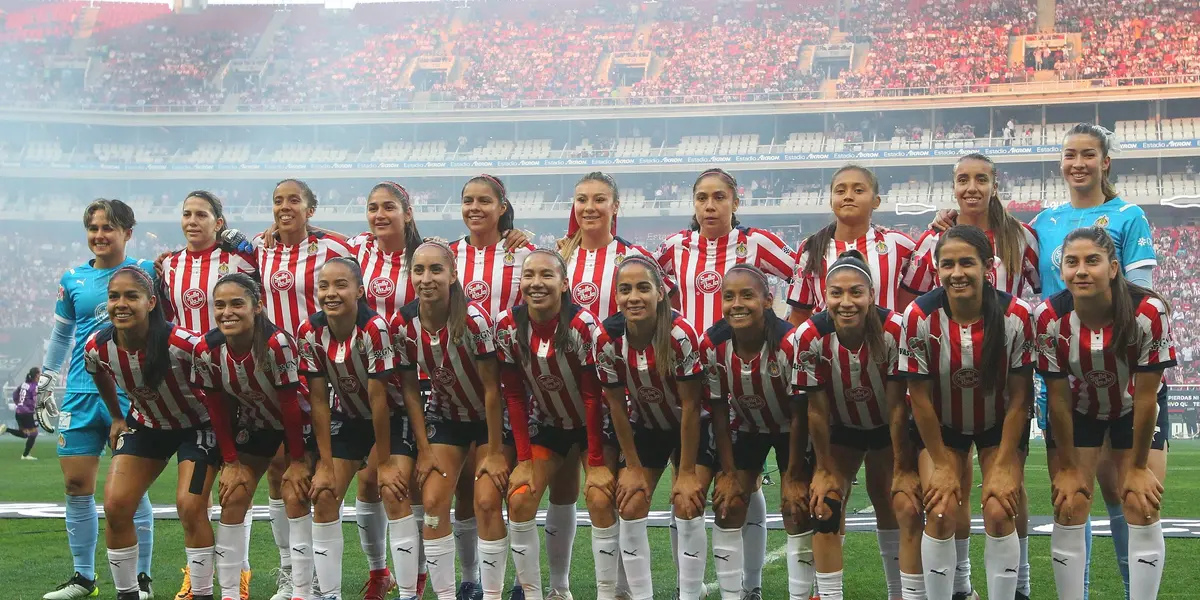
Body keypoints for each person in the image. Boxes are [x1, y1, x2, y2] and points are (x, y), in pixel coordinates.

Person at [1029, 124, 1159, 600]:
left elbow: (1143, 297)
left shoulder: (1129, 215)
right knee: (1071, 495)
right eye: (1069, 154)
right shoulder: (1043, 221)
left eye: (1088, 154)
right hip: (1061, 373)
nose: (1077, 163)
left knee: (1129, 495)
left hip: (1123, 373)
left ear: (1106, 162)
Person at [656, 169, 796, 599]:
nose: (710, 205)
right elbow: (650, 291)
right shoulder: (675, 247)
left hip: (746, 384)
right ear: (694, 204)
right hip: (692, 386)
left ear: (736, 201)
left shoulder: (758, 242)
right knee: (690, 486)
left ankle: (749, 585)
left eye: (719, 197)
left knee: (743, 483)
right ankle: (689, 586)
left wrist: (789, 330)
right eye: (702, 198)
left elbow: (804, 276)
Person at [910, 154, 1041, 600]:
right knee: (942, 503)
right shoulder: (921, 314)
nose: (956, 272)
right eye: (947, 264)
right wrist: (942, 465)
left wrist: (1005, 465)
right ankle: (960, 589)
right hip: (945, 409)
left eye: (980, 178)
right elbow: (919, 397)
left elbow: (1022, 399)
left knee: (1003, 501)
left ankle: (1017, 588)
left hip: (1000, 402)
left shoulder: (1017, 304)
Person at [1037, 226, 1175, 600]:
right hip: (1080, 410)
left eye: (1092, 261)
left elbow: (1148, 399)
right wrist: (1067, 467)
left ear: (1114, 268)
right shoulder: (1049, 317)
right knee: (1070, 503)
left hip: (1134, 409)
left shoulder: (1148, 311)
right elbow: (1059, 400)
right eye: (1072, 262)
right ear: (1062, 271)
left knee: (1140, 503)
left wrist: (1137, 466)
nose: (1081, 270)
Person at [37, 199, 157, 600]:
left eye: (108, 227)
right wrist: (48, 378)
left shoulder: (146, 273)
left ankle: (141, 579)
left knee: (129, 490)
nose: (99, 235)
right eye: (93, 228)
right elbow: (61, 335)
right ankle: (83, 578)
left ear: (127, 232)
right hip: (79, 394)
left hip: (129, 394)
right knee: (75, 485)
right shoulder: (72, 278)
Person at [85, 266, 220, 600]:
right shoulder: (98, 346)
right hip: (147, 425)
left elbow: (221, 382)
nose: (121, 304)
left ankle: (201, 594)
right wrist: (117, 417)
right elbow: (97, 372)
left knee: (190, 506)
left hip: (198, 426)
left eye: (132, 296)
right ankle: (127, 594)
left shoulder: (183, 344)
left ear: (151, 303)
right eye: (114, 296)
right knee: (116, 507)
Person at [297, 257, 427, 600]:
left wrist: (383, 463)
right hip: (349, 417)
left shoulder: (374, 328)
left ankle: (409, 594)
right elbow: (319, 401)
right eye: (324, 286)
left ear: (359, 291)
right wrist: (324, 465)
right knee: (324, 496)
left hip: (392, 415)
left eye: (341, 285)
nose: (331, 293)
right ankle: (330, 594)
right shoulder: (309, 331)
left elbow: (380, 398)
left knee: (392, 488)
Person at [390, 241, 509, 600]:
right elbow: (410, 390)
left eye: (436, 270)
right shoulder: (403, 323)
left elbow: (492, 389)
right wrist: (423, 450)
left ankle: (487, 591)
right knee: (432, 501)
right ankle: (446, 594)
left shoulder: (474, 319)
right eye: (419, 270)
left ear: (453, 275)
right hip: (446, 415)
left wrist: (494, 452)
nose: (427, 278)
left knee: (486, 500)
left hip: (487, 417)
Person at [257, 179, 355, 600]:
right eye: (278, 201)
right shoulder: (258, 250)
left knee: (318, 470)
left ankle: (320, 575)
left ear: (310, 209)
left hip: (325, 370)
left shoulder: (334, 247)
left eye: (293, 200)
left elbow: (378, 255)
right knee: (281, 470)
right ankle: (292, 572)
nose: (284, 207)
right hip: (278, 375)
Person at [158, 190, 258, 600]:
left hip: (236, 383)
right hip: (189, 388)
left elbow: (260, 277)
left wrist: (248, 245)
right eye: (187, 213)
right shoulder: (168, 266)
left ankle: (240, 573)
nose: (192, 221)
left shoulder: (234, 260)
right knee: (196, 494)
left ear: (219, 221)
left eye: (202, 214)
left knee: (235, 487)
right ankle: (198, 574)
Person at [793, 250, 908, 600]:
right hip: (841, 427)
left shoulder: (894, 329)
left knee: (890, 496)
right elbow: (814, 408)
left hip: (887, 425)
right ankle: (828, 595)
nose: (846, 302)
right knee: (826, 501)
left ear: (871, 295)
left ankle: (898, 593)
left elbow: (898, 403)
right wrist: (825, 468)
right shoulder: (809, 335)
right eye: (836, 293)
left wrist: (903, 464)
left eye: (856, 292)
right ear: (824, 296)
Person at [495, 249, 610, 600]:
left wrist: (594, 462)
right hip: (547, 422)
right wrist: (525, 462)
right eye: (529, 275)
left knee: (602, 498)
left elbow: (593, 398)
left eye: (546, 275)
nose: (536, 283)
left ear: (564, 284)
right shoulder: (508, 326)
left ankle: (593, 589)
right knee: (520, 500)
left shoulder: (582, 325)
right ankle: (534, 594)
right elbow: (513, 396)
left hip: (596, 424)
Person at [594, 255, 709, 600]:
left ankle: (690, 592)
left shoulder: (680, 334)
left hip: (693, 426)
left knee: (687, 501)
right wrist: (631, 467)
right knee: (630, 503)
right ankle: (638, 594)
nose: (634, 297)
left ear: (661, 292)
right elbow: (615, 404)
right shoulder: (607, 338)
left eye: (643, 288)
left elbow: (691, 405)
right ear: (615, 296)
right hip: (647, 424)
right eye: (625, 289)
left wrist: (686, 471)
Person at [189, 273, 310, 600]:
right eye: (220, 305)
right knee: (234, 494)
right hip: (257, 423)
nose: (227, 312)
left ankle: (302, 589)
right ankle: (230, 594)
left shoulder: (276, 344)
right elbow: (216, 409)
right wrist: (230, 462)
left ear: (258, 307)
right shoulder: (206, 349)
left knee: (295, 492)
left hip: (299, 421)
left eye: (237, 304)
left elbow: (290, 405)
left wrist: (297, 461)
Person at [447, 174, 535, 600]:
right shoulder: (448, 254)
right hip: (462, 386)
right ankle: (470, 580)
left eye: (484, 201)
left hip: (514, 385)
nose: (475, 208)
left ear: (503, 206)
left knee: (506, 490)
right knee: (468, 489)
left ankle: (522, 583)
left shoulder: (522, 251)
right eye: (468, 201)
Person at [701, 264, 810, 600]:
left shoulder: (791, 343)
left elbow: (802, 411)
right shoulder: (713, 343)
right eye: (729, 296)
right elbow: (718, 410)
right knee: (728, 502)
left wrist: (792, 475)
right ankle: (741, 593)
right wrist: (730, 472)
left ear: (767, 300)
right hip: (746, 426)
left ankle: (803, 593)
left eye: (747, 295)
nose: (737, 303)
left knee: (797, 506)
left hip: (794, 427)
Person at [789, 164, 928, 325]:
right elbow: (799, 314)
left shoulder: (898, 243)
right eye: (840, 191)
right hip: (828, 349)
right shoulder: (810, 248)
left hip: (885, 346)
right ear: (831, 200)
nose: (848, 196)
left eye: (858, 190)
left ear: (876, 201)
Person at [2, 367, 42, 460]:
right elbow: (35, 400)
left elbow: (15, 394)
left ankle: (6, 430)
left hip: (19, 412)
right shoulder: (34, 386)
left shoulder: (24, 384)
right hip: (27, 413)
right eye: (40, 373)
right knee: (34, 433)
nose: (41, 375)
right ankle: (25, 455)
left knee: (24, 434)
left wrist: (18, 404)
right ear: (36, 375)